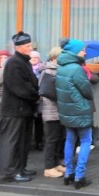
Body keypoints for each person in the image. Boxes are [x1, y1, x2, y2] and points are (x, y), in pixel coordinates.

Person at [0, 31, 40, 182]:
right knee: (13, 142)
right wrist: (36, 95)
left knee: (23, 142)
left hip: (24, 109)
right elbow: (19, 87)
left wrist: (35, 92)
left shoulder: (24, 62)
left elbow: (33, 82)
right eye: (27, 46)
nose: (30, 48)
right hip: (15, 110)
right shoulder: (14, 63)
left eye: (30, 45)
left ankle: (20, 167)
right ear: (19, 48)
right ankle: (13, 171)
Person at [56, 39, 94, 189]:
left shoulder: (61, 67)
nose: (85, 52)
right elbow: (87, 90)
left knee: (70, 141)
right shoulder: (77, 69)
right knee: (86, 141)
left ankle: (68, 174)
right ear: (76, 51)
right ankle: (79, 176)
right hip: (80, 110)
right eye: (83, 49)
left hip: (66, 111)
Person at [39, 47, 66, 178]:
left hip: (58, 110)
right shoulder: (48, 71)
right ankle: (48, 167)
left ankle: (56, 163)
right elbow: (46, 91)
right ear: (55, 57)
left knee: (58, 138)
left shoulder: (57, 70)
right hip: (51, 111)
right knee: (51, 140)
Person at [30, 50, 44, 151]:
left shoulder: (42, 69)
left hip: (40, 98)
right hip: (29, 97)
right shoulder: (26, 69)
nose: (34, 59)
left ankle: (39, 142)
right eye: (32, 57)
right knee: (29, 121)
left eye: (36, 57)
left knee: (39, 121)